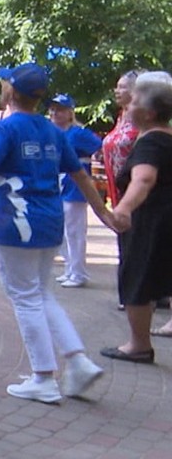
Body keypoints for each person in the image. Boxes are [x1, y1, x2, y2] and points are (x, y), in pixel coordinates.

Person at [0, 63, 111, 403]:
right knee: (41, 293)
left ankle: (43, 376)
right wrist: (105, 213)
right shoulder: (53, 132)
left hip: (16, 223)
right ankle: (77, 361)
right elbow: (80, 176)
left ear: (10, 92)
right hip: (49, 222)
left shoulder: (6, 129)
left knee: (25, 296)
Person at [104, 72, 172, 361]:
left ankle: (138, 345)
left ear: (149, 112)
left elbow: (143, 179)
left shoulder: (151, 143)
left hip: (150, 223)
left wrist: (124, 208)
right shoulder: (167, 138)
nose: (128, 107)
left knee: (137, 278)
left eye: (133, 103)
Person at [47, 94, 103, 288]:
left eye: (60, 109)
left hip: (75, 185)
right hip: (59, 183)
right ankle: (70, 268)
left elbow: (99, 146)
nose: (55, 113)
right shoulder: (53, 133)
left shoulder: (78, 133)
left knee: (75, 230)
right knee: (62, 229)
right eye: (53, 109)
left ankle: (79, 273)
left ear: (70, 112)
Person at [102, 70, 143, 309]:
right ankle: (136, 293)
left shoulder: (143, 120)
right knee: (127, 243)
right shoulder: (123, 116)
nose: (117, 91)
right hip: (118, 193)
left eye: (122, 87)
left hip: (137, 192)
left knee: (136, 243)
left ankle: (136, 296)